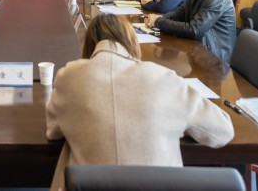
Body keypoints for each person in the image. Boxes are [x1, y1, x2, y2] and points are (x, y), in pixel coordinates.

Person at [45, 14, 234, 191]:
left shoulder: (68, 76)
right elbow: (222, 132)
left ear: (88, 45)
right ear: (131, 41)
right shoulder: (164, 78)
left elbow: (53, 131)